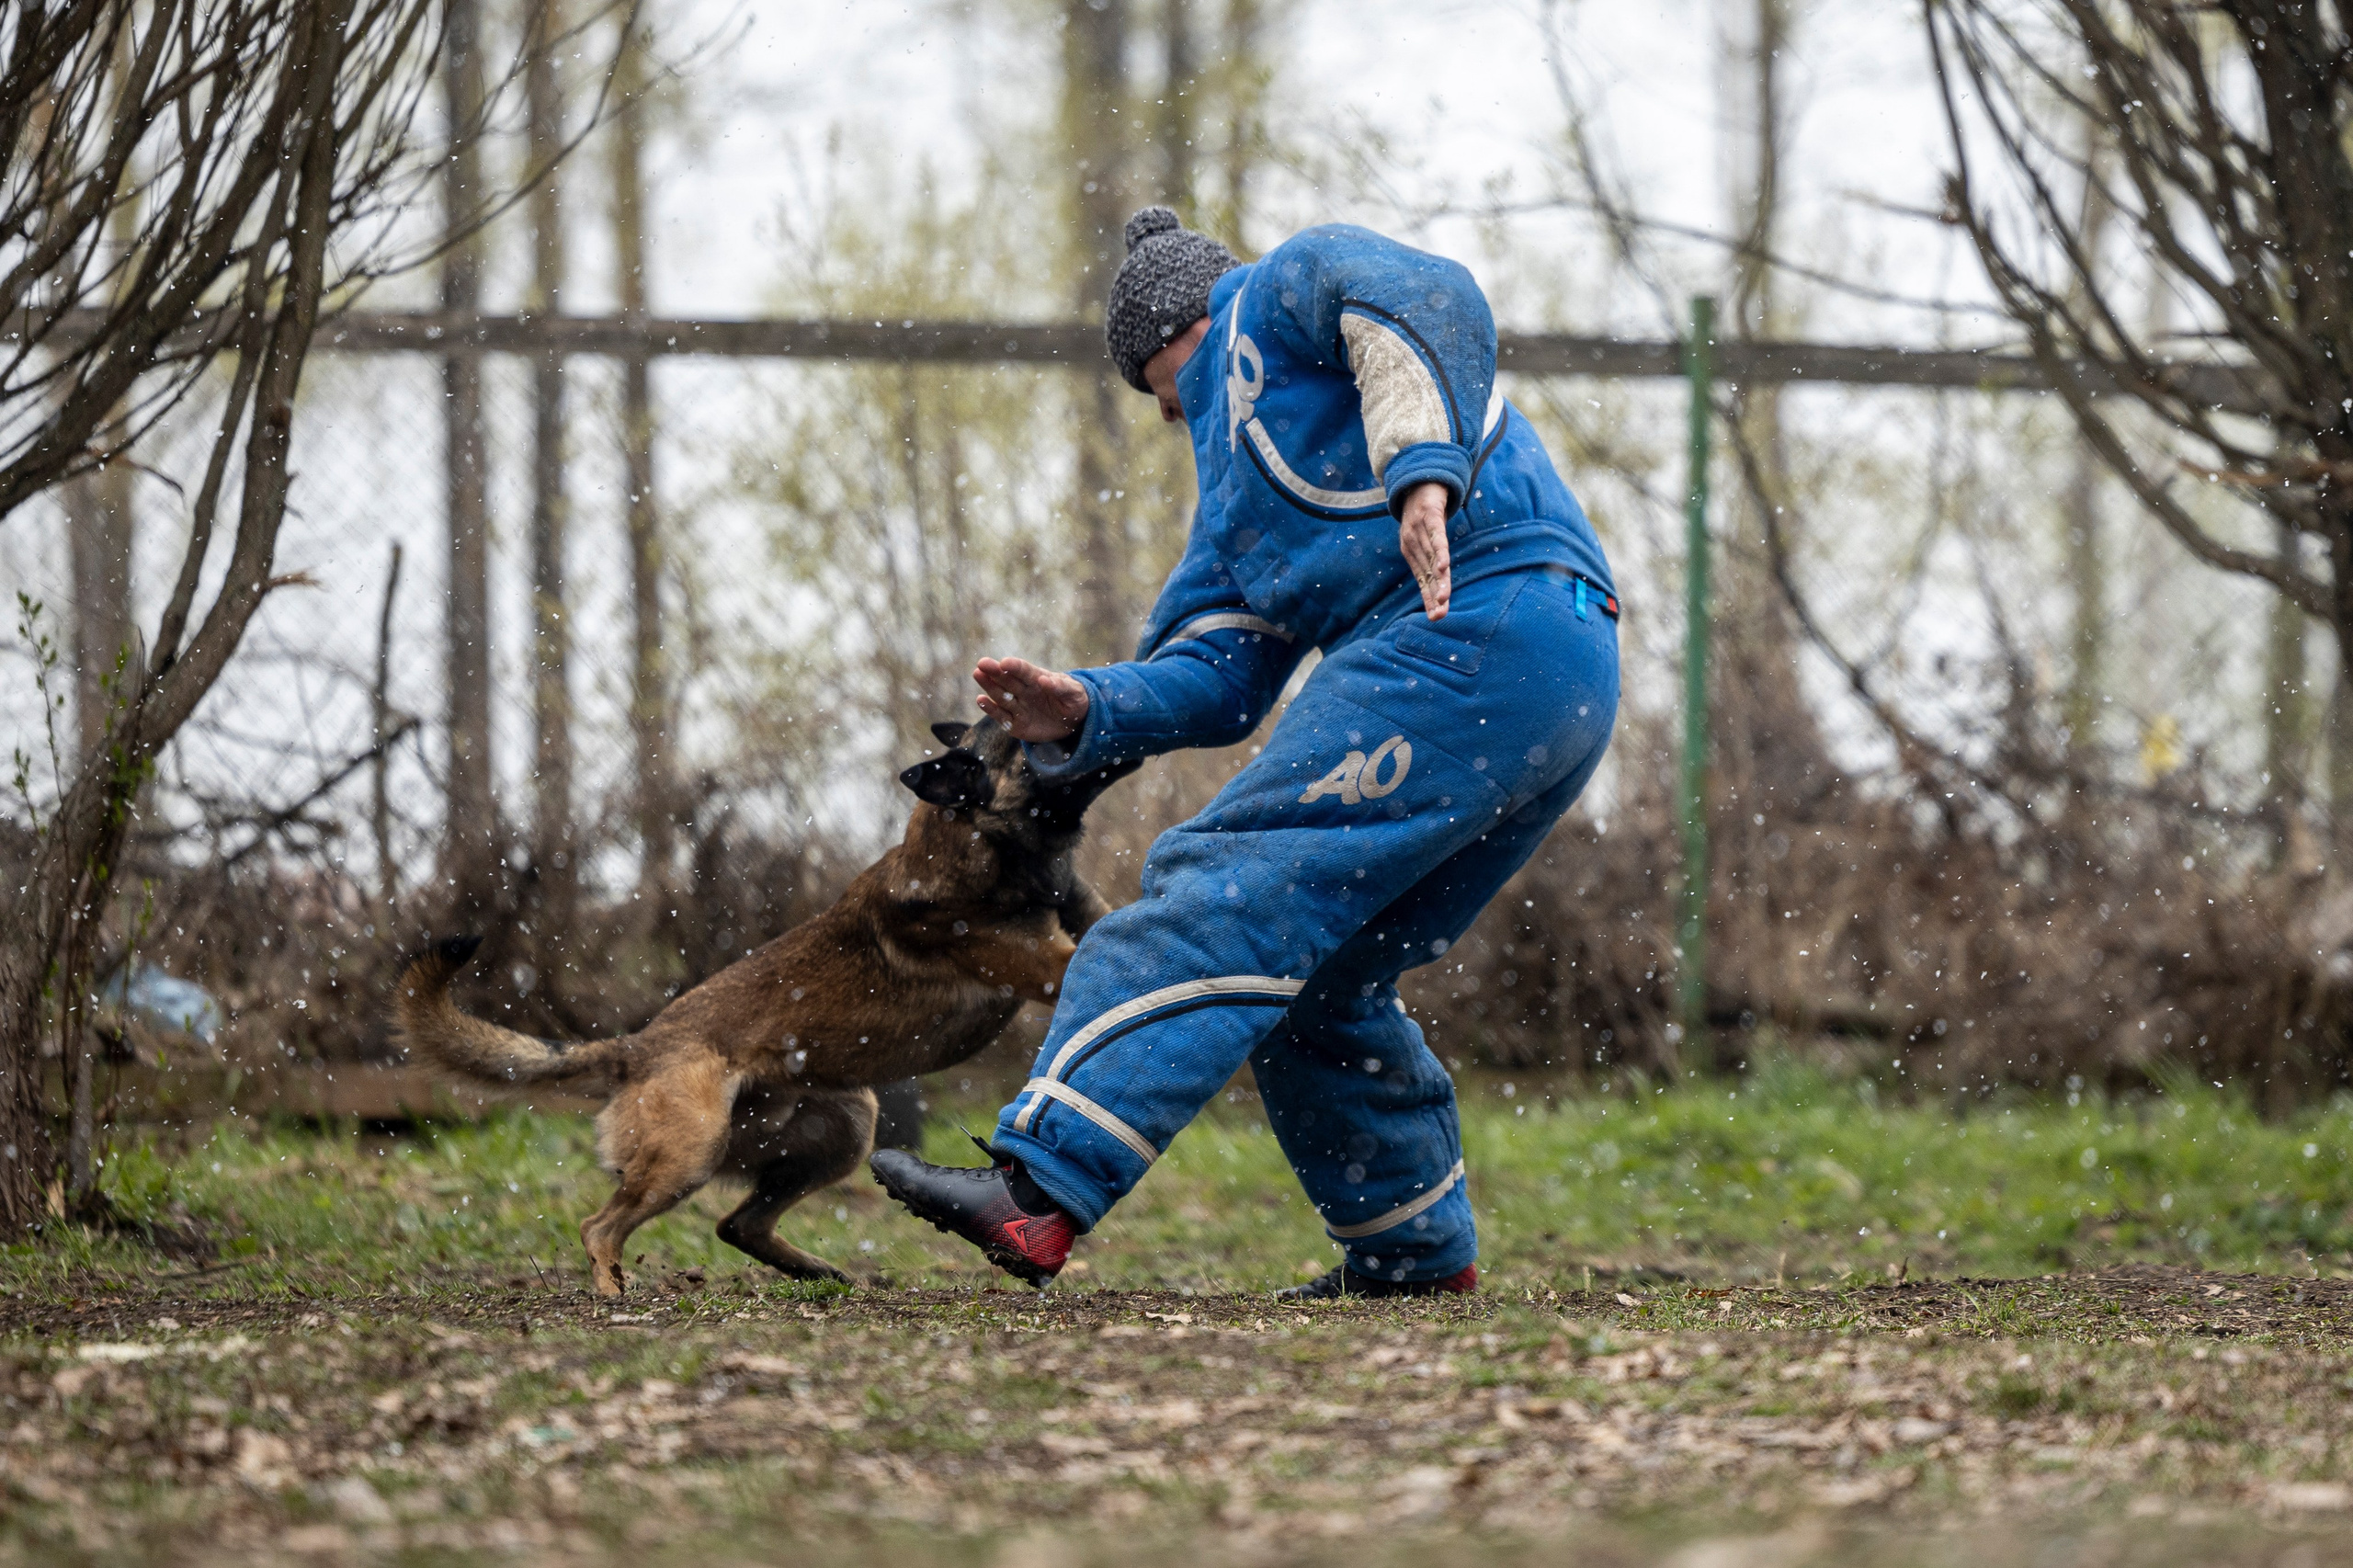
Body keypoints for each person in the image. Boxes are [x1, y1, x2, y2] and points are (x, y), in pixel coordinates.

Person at [872, 207, 1620, 1298]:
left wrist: (1421, 470)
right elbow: (1219, 679)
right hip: (1557, 672)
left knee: (1218, 880)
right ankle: (1411, 1256)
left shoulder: (1278, 290)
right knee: (1323, 968)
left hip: (1474, 621)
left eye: (1157, 389)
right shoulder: (1232, 515)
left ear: (1176, 333)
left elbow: (1428, 299)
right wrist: (1080, 702)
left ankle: (1038, 1188)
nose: (1167, 414)